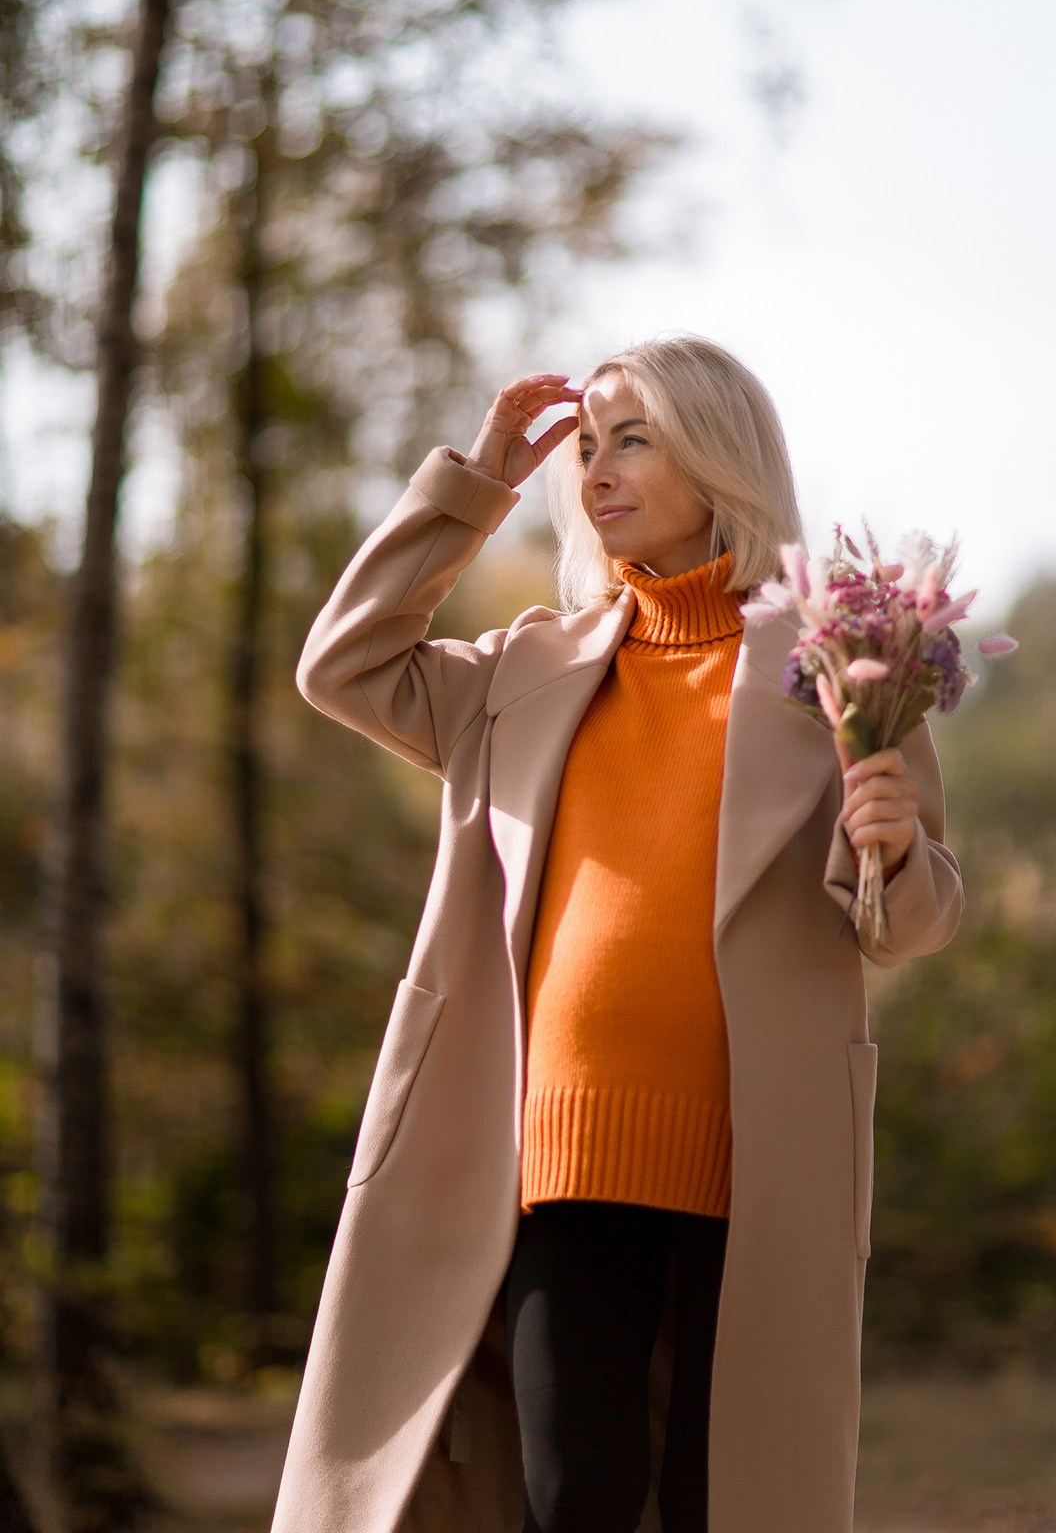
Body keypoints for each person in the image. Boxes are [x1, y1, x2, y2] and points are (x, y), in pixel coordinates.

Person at [271, 335, 963, 1533]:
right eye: (583, 447)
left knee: (726, 1501)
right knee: (571, 1494)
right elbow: (343, 665)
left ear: (718, 460)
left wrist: (894, 849)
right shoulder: (521, 671)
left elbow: (909, 923)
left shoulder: (835, 674)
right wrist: (470, 484)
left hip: (758, 1163)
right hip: (550, 1156)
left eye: (630, 440)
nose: (594, 468)